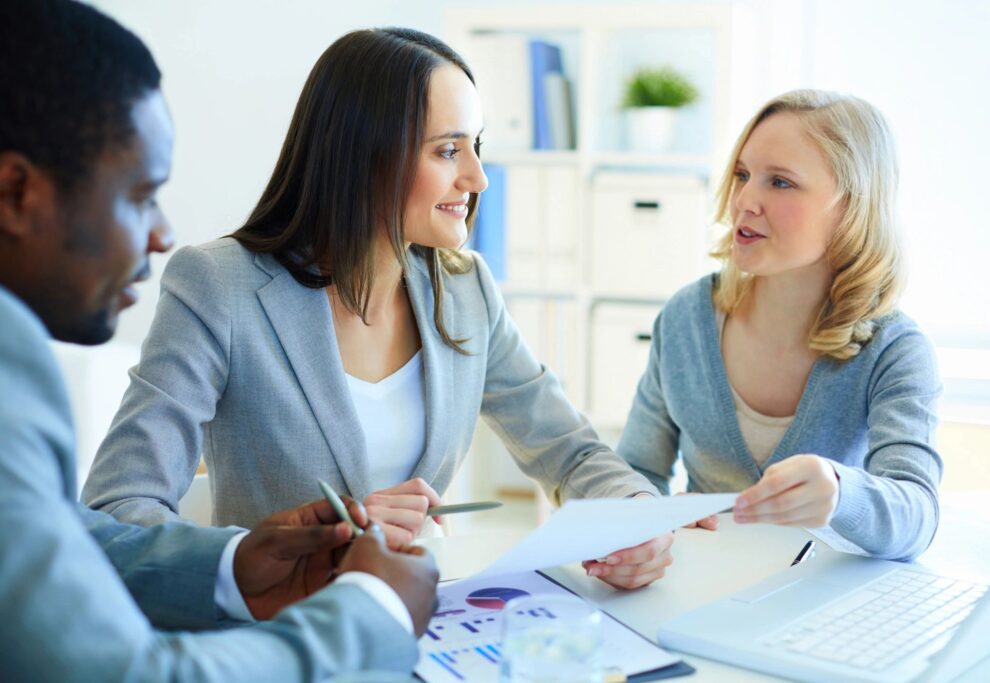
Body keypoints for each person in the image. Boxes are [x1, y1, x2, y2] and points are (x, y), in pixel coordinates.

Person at [82, 26, 673, 590]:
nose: (477, 178)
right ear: (365, 156)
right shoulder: (219, 286)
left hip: (422, 622)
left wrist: (635, 514)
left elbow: (568, 450)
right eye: (448, 151)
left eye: (476, 146)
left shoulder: (467, 290)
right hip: (283, 636)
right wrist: (316, 547)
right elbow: (117, 512)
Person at [0, 1, 438, 680]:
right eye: (142, 195)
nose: (162, 233)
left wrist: (231, 564)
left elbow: (47, 538)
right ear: (16, 193)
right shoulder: (14, 364)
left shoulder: (460, 290)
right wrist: (372, 607)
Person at [617, 89, 942, 561]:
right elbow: (635, 470)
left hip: (821, 606)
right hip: (698, 586)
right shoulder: (686, 318)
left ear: (852, 208)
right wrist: (655, 511)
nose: (745, 201)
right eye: (743, 175)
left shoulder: (894, 349)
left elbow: (918, 517)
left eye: (781, 182)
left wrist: (838, 492)